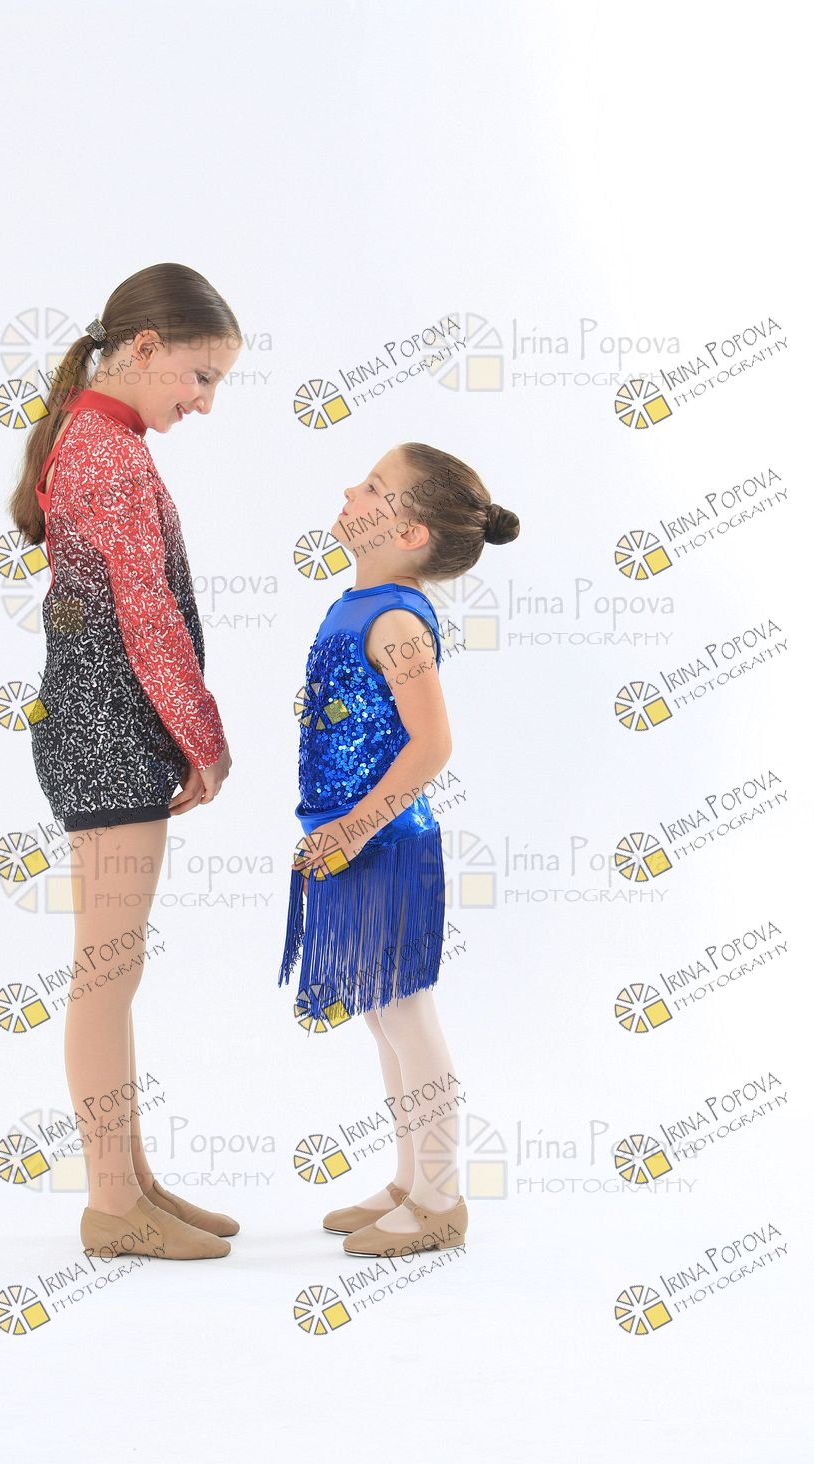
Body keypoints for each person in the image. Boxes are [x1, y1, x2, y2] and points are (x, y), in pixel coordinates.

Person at [8, 263, 242, 1262]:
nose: (205, 402)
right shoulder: (105, 454)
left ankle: (134, 1181)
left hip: (104, 726)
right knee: (105, 972)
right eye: (199, 376)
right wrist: (204, 737)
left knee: (117, 966)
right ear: (144, 348)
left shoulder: (100, 439)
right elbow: (146, 617)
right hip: (107, 731)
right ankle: (111, 1204)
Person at [278, 442, 519, 1259]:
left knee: (406, 1014)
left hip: (383, 843)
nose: (351, 488)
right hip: (349, 839)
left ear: (410, 533)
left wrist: (353, 828)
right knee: (382, 1016)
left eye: (374, 487)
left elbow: (432, 743)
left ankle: (441, 1202)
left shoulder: (396, 620)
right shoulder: (362, 604)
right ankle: (411, 1181)